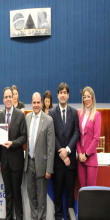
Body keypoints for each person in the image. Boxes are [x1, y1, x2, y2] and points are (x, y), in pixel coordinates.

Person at [49, 83, 79, 220]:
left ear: (68, 95)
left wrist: (67, 150)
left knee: (69, 195)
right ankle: (58, 217)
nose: (62, 94)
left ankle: (70, 217)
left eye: (65, 92)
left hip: (71, 163)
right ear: (57, 95)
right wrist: (61, 153)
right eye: (60, 92)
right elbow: (52, 135)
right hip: (58, 163)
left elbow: (76, 133)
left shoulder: (74, 112)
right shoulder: (52, 113)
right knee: (58, 193)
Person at [24, 92, 55, 220]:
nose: (36, 105)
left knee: (41, 200)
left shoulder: (48, 120)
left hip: (42, 166)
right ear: (31, 103)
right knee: (32, 197)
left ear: (41, 103)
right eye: (34, 102)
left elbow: (51, 147)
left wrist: (49, 168)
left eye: (38, 102)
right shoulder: (27, 118)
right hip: (29, 164)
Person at [0, 87, 27, 220]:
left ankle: (19, 217)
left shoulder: (20, 115)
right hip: (4, 162)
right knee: (7, 194)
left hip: (16, 162)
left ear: (13, 98)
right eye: (6, 97)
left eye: (10, 96)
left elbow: (23, 137)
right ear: (3, 99)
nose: (8, 99)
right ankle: (8, 217)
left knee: (16, 193)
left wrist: (12, 143)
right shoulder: (0, 115)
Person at [77, 86, 101, 187]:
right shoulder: (79, 113)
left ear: (92, 98)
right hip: (80, 159)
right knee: (83, 190)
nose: (86, 99)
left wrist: (86, 155)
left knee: (90, 192)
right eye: (84, 97)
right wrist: (80, 153)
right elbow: (77, 136)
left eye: (88, 96)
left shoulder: (97, 115)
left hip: (90, 159)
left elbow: (96, 138)